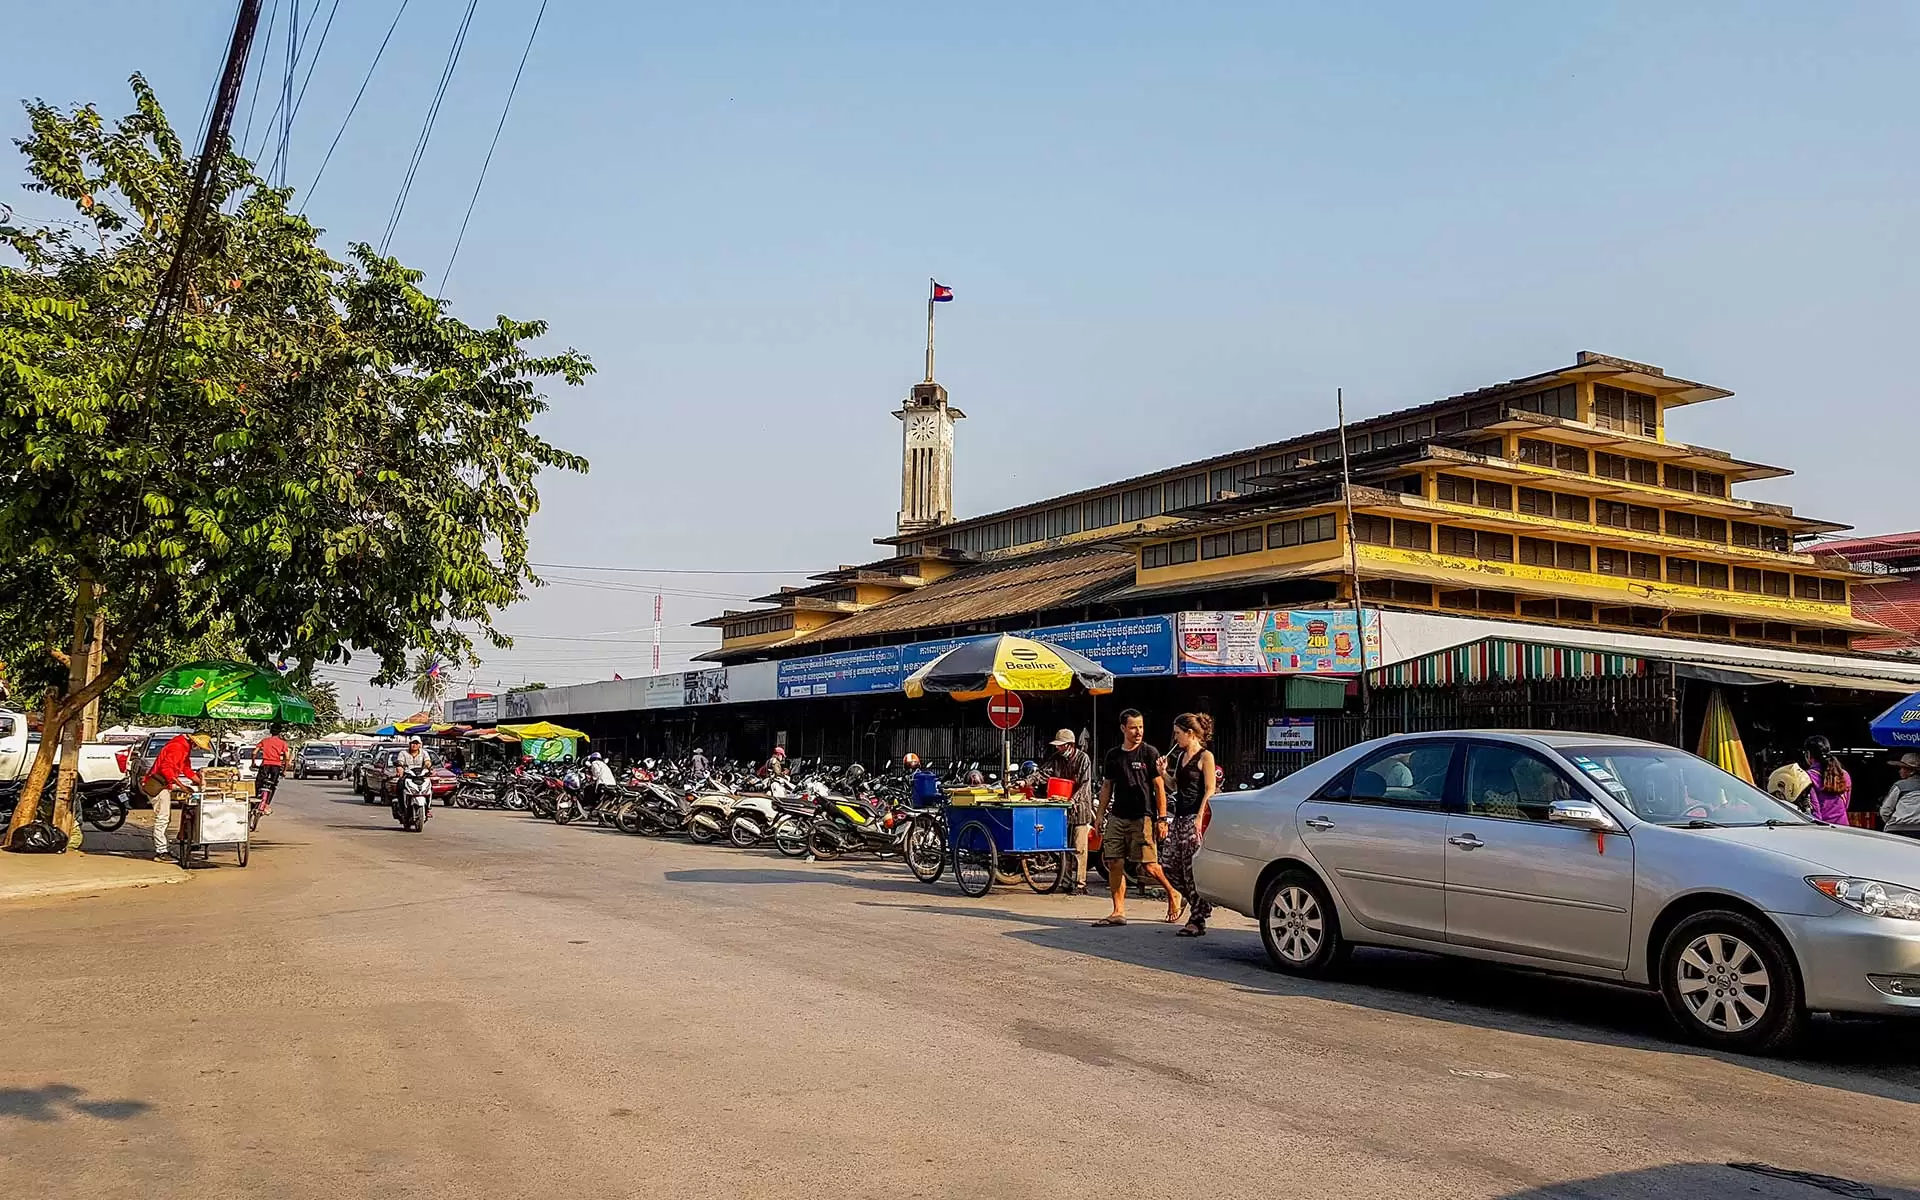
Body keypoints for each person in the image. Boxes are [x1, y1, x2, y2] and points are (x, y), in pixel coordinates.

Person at [1091, 709, 1181, 927]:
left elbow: (1159, 787)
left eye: (1140, 727)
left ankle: (1173, 893)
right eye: (1133, 727)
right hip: (1118, 816)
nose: (1138, 731)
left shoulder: (1149, 753)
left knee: (1149, 865)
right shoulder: (1113, 755)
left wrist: (1161, 818)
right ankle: (1118, 911)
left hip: (1143, 817)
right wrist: (1101, 814)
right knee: (1113, 861)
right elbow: (1107, 786)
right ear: (1123, 729)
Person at [1162, 713, 1217, 937]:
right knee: (1169, 864)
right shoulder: (1181, 757)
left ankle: (1197, 918)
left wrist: (1200, 816)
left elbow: (1210, 788)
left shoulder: (1206, 757)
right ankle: (1194, 901)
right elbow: (1174, 784)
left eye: (1177, 733)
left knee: (1191, 868)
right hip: (1179, 817)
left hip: (1194, 817)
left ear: (1189, 733)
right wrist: (1162, 771)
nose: (1175, 738)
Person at [1042, 729, 1096, 896]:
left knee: (1079, 848)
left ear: (1070, 745)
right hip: (1061, 810)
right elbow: (1043, 774)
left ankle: (1080, 884)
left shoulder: (1083, 759)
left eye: (1061, 746)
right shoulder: (1056, 759)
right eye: (1057, 746)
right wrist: (1026, 781)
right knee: (1064, 848)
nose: (1059, 749)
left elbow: (1085, 785)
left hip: (1079, 809)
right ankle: (1065, 881)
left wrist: (1072, 800)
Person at [142, 731, 208, 861]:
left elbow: (186, 769)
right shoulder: (178, 746)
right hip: (158, 785)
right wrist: (182, 786)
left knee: (165, 818)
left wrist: (199, 781)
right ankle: (161, 852)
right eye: (199, 745)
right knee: (162, 818)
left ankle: (164, 848)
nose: (199, 748)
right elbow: (166, 769)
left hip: (164, 785)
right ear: (194, 741)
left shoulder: (184, 747)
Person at [1802, 736, 1852, 825]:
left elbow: (1814, 810)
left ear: (1808, 754)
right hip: (1843, 826)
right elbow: (1846, 805)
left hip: (1822, 828)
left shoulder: (1807, 777)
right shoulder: (1844, 774)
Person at [1880, 752, 1920, 839]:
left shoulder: (1900, 786)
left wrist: (1893, 821)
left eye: (1902, 768)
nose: (1899, 771)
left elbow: (1885, 811)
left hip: (1897, 829)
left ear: (1911, 771)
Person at [254, 725, 290, 813]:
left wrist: (253, 763)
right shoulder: (283, 743)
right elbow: (287, 757)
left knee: (258, 783)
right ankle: (267, 805)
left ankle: (254, 800)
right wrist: (284, 770)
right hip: (276, 766)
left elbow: (254, 752)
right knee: (273, 786)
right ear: (279, 733)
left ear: (271, 732)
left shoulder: (265, 741)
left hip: (265, 765)